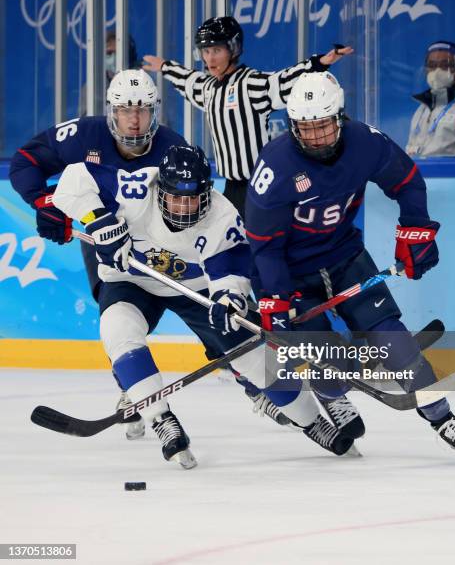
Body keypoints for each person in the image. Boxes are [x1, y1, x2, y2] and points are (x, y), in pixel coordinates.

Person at [52, 145, 359, 466]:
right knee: (118, 329)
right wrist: (97, 218)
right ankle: (161, 419)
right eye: (176, 198)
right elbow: (73, 180)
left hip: (193, 288)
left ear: (206, 193)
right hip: (131, 281)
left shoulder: (222, 216)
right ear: (160, 190)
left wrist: (229, 299)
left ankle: (311, 420)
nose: (185, 208)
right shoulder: (135, 189)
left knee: (252, 353)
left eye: (193, 198)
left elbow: (229, 270)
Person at [245, 71, 455, 463]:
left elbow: (408, 181)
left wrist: (416, 230)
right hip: (291, 273)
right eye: (305, 129)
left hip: (346, 257)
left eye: (324, 126)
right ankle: (333, 395)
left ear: (339, 118)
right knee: (330, 357)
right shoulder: (274, 168)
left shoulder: (364, 142)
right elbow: (264, 246)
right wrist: (275, 297)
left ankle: (444, 418)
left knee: (395, 341)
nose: (315, 138)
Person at [9, 69, 188, 439]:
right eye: (126, 110)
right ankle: (132, 384)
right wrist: (47, 203)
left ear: (155, 111)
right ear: (112, 111)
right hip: (103, 233)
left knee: (214, 316)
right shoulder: (82, 136)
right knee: (116, 317)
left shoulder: (174, 145)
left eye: (142, 111)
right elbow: (26, 159)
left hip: (162, 244)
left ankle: (261, 388)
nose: (134, 120)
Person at [143, 16, 353, 217]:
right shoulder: (209, 88)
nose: (210, 58)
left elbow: (283, 81)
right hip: (230, 188)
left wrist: (318, 63)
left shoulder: (250, 84)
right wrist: (165, 66)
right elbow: (188, 81)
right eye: (206, 51)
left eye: (217, 50)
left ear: (233, 49)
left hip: (261, 184)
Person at [79, 30, 140, 116]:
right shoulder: (91, 88)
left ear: (130, 55)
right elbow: (85, 123)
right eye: (109, 53)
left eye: (119, 53)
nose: (114, 58)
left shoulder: (145, 83)